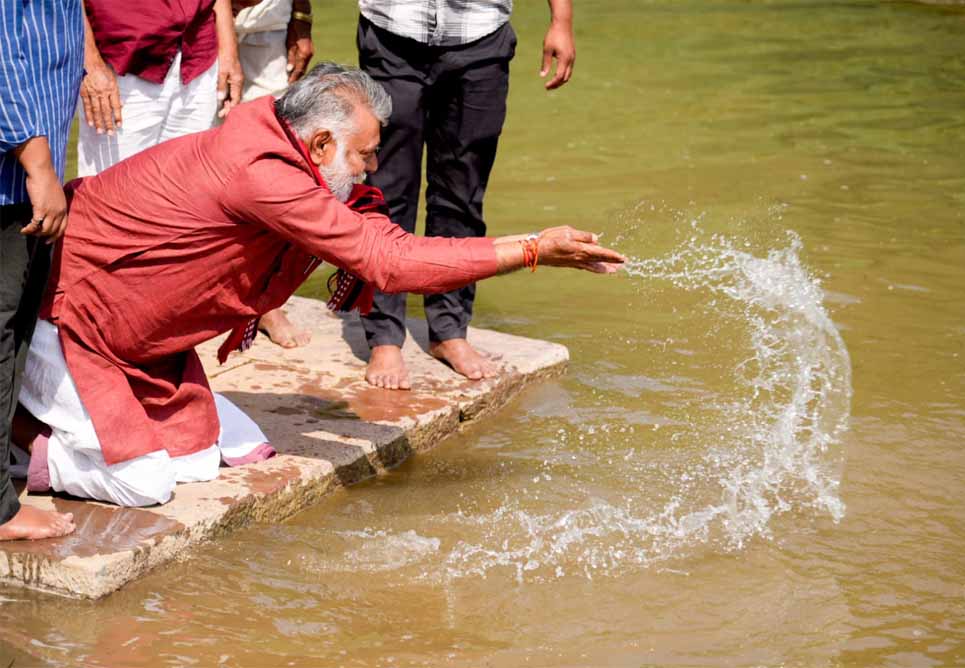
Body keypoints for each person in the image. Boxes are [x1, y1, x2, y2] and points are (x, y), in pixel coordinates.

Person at [14, 64, 625, 508]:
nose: (371, 170)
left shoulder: (286, 150)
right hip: (73, 324)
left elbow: (385, 242)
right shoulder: (261, 174)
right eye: (364, 154)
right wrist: (532, 249)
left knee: (205, 460)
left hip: (141, 336)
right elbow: (387, 261)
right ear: (320, 144)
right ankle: (18, 448)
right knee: (144, 484)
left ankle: (90, 419)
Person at [357, 0, 576, 391]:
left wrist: (561, 20)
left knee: (461, 192)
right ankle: (384, 337)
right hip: (392, 34)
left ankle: (448, 329)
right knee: (384, 191)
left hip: (480, 36)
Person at [0, 0, 83, 540]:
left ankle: (5, 478)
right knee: (2, 329)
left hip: (25, 166)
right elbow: (5, 53)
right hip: (12, 172)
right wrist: (39, 166)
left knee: (15, 327)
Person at [75, 0, 243, 176]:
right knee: (112, 187)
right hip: (123, 59)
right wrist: (90, 63)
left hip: (198, 51)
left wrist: (228, 47)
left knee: (187, 183)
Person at [232, 0, 316, 348]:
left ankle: (264, 300)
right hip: (189, 22)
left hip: (268, 16)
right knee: (188, 152)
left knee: (273, 159)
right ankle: (190, 292)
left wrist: (301, 16)